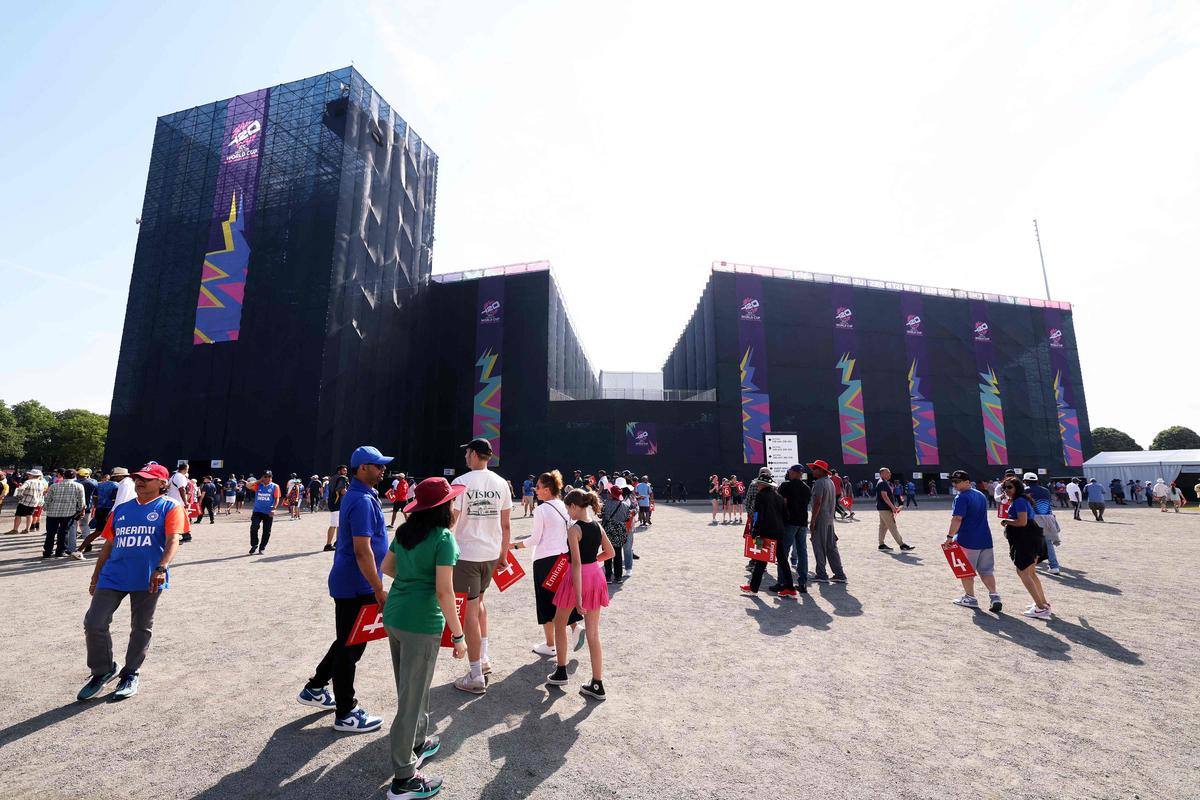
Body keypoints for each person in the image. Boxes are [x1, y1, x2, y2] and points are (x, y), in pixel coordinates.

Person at [379, 477, 467, 800]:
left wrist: (412, 577)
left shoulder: (404, 532)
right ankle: (403, 777)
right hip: (421, 623)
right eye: (452, 502)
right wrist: (458, 636)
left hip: (396, 616)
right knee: (412, 695)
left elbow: (387, 567)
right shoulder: (444, 539)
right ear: (444, 507)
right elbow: (445, 592)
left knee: (414, 686)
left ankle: (417, 741)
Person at [297, 445, 394, 733]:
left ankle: (315, 688)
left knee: (346, 642)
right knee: (351, 647)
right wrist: (379, 589)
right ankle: (346, 712)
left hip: (355, 582)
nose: (382, 470)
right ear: (362, 468)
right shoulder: (361, 500)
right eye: (377, 466)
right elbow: (363, 551)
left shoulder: (365, 495)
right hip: (357, 584)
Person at [77, 464, 185, 701]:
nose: (140, 481)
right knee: (94, 622)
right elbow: (108, 544)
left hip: (147, 577)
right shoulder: (122, 509)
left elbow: (173, 539)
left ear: (162, 484)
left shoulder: (170, 507)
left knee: (140, 627)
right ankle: (103, 671)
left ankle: (130, 673)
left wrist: (161, 567)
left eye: (147, 478)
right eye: (137, 478)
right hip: (113, 575)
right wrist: (96, 575)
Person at [448, 438, 512, 694]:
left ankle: (475, 674)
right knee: (480, 604)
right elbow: (506, 525)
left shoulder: (461, 482)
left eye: (467, 453)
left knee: (469, 612)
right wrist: (503, 555)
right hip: (490, 554)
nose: (465, 457)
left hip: (467, 555)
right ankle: (483, 658)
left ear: (474, 454)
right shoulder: (501, 483)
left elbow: (451, 520)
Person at [546, 489, 613, 698]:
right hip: (595, 576)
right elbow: (610, 552)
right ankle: (597, 683)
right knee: (593, 633)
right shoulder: (597, 525)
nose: (568, 512)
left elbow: (575, 565)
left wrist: (579, 598)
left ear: (574, 506)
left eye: (568, 508)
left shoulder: (574, 529)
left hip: (578, 579)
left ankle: (561, 670)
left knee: (559, 622)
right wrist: (594, 563)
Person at [512, 470, 584, 658]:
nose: (535, 490)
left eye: (538, 487)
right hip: (563, 558)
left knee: (546, 602)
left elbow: (535, 539)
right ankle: (575, 627)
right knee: (561, 599)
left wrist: (514, 546)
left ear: (548, 489)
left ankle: (551, 644)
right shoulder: (563, 505)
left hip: (545, 561)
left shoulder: (542, 509)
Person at [945, 470, 1002, 612]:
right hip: (985, 538)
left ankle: (970, 597)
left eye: (957, 481)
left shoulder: (961, 497)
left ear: (967, 482)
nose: (955, 484)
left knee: (966, 571)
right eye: (953, 481)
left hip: (967, 539)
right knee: (987, 571)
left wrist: (949, 537)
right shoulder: (980, 494)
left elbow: (957, 518)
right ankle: (994, 596)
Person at [999, 477, 1051, 619]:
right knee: (1031, 572)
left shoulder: (1020, 501)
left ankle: (1041, 608)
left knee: (1023, 572)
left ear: (1017, 488)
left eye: (1009, 487)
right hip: (1030, 536)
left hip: (1026, 538)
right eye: (1004, 488)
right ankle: (1043, 603)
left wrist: (1006, 521)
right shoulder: (1021, 500)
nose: (1006, 490)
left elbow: (1022, 522)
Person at [740, 478, 795, 596]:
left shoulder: (761, 496)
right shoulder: (779, 497)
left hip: (764, 533)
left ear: (763, 485)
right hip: (779, 532)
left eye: (759, 484)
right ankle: (790, 587)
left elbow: (757, 515)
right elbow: (786, 516)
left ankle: (753, 588)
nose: (757, 486)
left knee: (760, 559)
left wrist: (755, 532)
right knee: (782, 560)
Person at [807, 460, 847, 583]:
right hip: (829, 519)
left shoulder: (819, 483)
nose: (812, 470)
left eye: (815, 468)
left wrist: (813, 521)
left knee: (818, 546)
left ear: (821, 470)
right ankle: (839, 573)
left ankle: (821, 574)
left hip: (821, 518)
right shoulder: (830, 482)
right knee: (831, 547)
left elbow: (818, 502)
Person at [778, 465, 811, 594]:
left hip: (789, 522)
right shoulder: (807, 488)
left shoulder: (786, 486)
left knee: (783, 552)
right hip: (802, 522)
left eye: (790, 471)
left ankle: (782, 582)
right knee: (802, 552)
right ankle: (802, 583)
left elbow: (783, 503)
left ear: (794, 473)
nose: (789, 473)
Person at [1024, 473, 1062, 576]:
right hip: (1049, 518)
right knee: (1048, 543)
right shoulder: (1045, 490)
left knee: (1030, 543)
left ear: (1025, 481)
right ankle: (1054, 566)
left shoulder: (1026, 490)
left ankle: (1030, 564)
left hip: (1034, 519)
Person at [44, 468, 86, 560]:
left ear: (63, 475)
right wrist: (80, 511)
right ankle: (60, 551)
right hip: (68, 513)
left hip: (52, 513)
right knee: (64, 532)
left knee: (50, 533)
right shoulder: (79, 486)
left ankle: (47, 552)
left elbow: (47, 499)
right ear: (74, 476)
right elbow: (81, 501)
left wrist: (45, 508)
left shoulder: (54, 486)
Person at [875, 467, 913, 553]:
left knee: (883, 526)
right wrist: (893, 507)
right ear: (882, 474)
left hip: (882, 508)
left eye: (889, 472)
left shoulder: (882, 482)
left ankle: (881, 545)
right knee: (892, 526)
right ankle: (902, 545)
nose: (890, 474)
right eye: (888, 473)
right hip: (885, 509)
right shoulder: (882, 483)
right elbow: (884, 496)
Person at [82, 469, 120, 553]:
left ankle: (82, 548)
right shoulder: (116, 486)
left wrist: (96, 506)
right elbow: (114, 500)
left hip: (100, 509)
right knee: (111, 531)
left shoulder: (99, 485)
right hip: (109, 510)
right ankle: (80, 549)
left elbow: (95, 497)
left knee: (98, 531)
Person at [599, 485, 631, 582]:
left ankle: (608, 576)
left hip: (608, 531)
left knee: (607, 553)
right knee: (618, 553)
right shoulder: (625, 505)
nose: (607, 494)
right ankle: (618, 577)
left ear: (611, 495)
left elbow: (602, 515)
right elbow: (627, 518)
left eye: (609, 492)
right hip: (620, 532)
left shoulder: (606, 504)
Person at [246, 471, 281, 554]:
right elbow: (248, 486)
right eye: (265, 476)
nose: (267, 478)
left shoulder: (275, 486)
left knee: (266, 531)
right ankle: (254, 544)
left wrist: (274, 509)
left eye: (269, 476)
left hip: (268, 512)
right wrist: (259, 480)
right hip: (257, 511)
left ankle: (262, 548)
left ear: (271, 477)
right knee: (254, 527)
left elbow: (277, 498)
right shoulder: (258, 485)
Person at [7, 468, 46, 535]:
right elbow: (42, 493)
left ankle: (15, 530)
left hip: (25, 501)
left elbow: (21, 488)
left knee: (18, 515)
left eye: (29, 474)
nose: (28, 475)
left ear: (32, 475)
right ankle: (27, 529)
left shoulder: (28, 481)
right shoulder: (42, 483)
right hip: (34, 502)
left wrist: (19, 496)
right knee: (29, 515)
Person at [167, 463, 194, 543]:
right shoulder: (181, 477)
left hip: (173, 500)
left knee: (180, 518)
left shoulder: (173, 476)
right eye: (188, 468)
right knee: (181, 518)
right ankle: (186, 536)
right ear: (185, 469)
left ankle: (186, 535)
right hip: (178, 501)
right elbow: (182, 489)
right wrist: (185, 502)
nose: (188, 470)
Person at [325, 464, 349, 552]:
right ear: (339, 471)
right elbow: (343, 491)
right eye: (344, 470)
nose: (345, 472)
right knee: (334, 525)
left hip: (333, 503)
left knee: (338, 524)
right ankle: (328, 545)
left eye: (346, 471)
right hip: (337, 504)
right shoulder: (342, 478)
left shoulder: (332, 478)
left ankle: (338, 542)